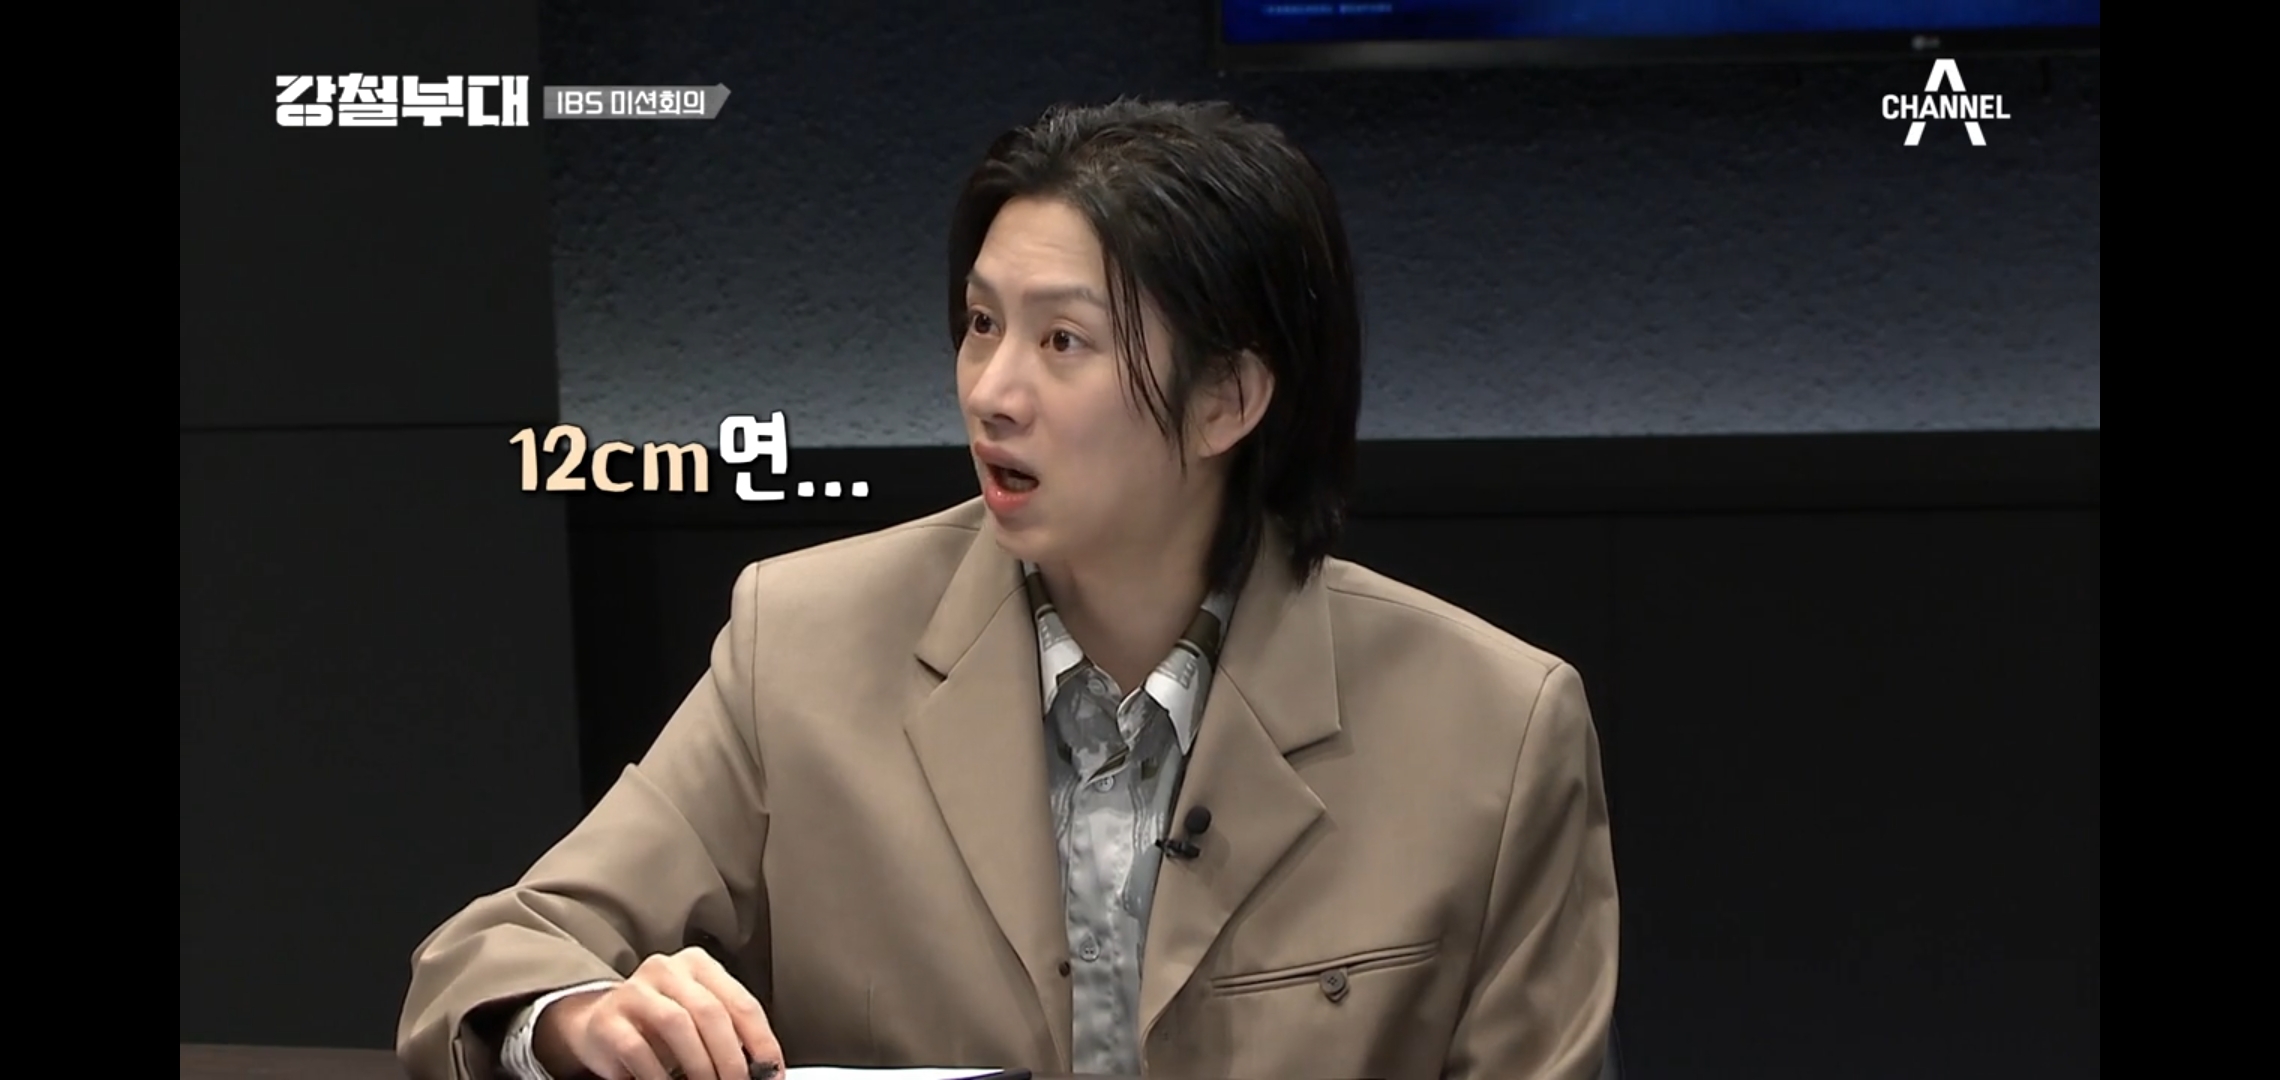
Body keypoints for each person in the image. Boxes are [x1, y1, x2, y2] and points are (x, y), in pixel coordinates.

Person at [398, 97, 1618, 1080]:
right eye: (981, 325)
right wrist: (581, 1016)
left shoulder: (1496, 731)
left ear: (1228, 401)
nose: (991, 391)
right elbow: (495, 956)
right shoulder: (803, 647)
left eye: (1062, 340)